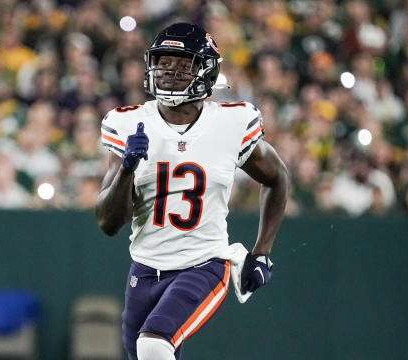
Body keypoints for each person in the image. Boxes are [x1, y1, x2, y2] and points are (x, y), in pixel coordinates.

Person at [95, 23, 288, 360]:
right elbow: (108, 223)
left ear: (207, 71)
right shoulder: (128, 124)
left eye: (184, 65)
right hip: (143, 269)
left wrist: (263, 251)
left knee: (154, 344)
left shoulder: (230, 123)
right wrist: (127, 168)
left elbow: (277, 178)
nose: (170, 73)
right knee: (144, 352)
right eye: (164, 63)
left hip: (203, 265)